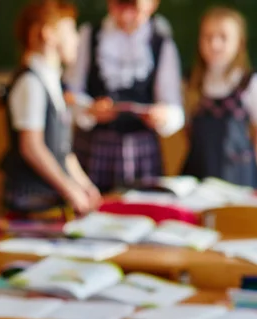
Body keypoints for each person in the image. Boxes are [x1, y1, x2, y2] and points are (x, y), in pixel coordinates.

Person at [0, 0, 102, 219]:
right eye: (71, 31)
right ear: (48, 34)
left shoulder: (53, 82)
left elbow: (62, 151)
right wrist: (70, 188)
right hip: (30, 204)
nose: (76, 39)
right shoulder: (31, 82)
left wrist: (84, 185)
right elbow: (32, 147)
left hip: (49, 201)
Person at [69, 0, 184, 193]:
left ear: (152, 4)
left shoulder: (161, 41)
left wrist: (163, 116)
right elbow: (70, 94)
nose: (126, 16)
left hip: (141, 153)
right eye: (119, 6)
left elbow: (174, 108)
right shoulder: (89, 35)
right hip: (94, 148)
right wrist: (89, 110)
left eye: (135, 9)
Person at [182, 7, 257, 189]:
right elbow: (187, 131)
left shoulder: (249, 82)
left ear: (239, 43)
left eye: (223, 37)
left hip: (239, 176)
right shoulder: (191, 83)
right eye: (208, 37)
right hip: (199, 173)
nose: (215, 44)